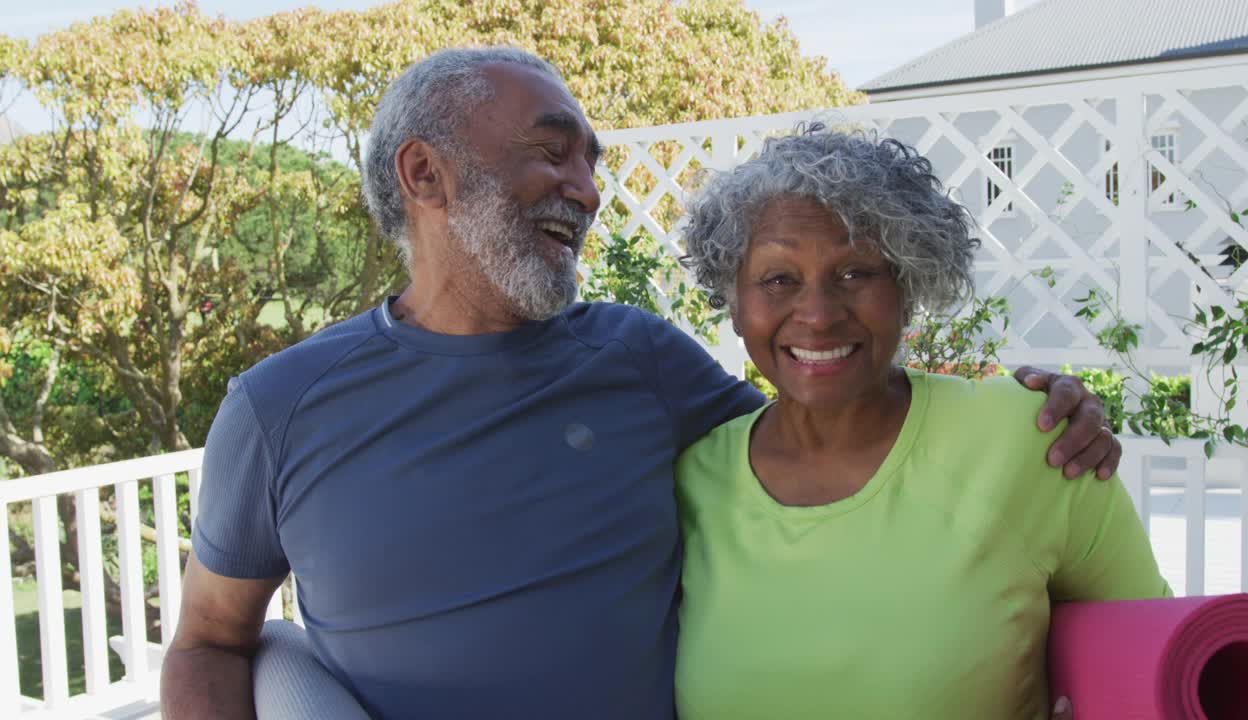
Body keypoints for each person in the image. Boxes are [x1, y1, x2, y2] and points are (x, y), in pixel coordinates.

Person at [161, 48, 1123, 719]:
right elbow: (209, 642)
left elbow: (829, 434)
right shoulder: (278, 409)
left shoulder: (639, 359)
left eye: (592, 160)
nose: (586, 188)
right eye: (553, 150)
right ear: (425, 172)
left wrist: (1042, 413)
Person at [673, 126, 1172, 720]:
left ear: (908, 288)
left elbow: (1162, 658)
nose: (818, 314)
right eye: (778, 279)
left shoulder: (1028, 437)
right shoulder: (693, 480)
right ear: (735, 306)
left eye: (855, 273)